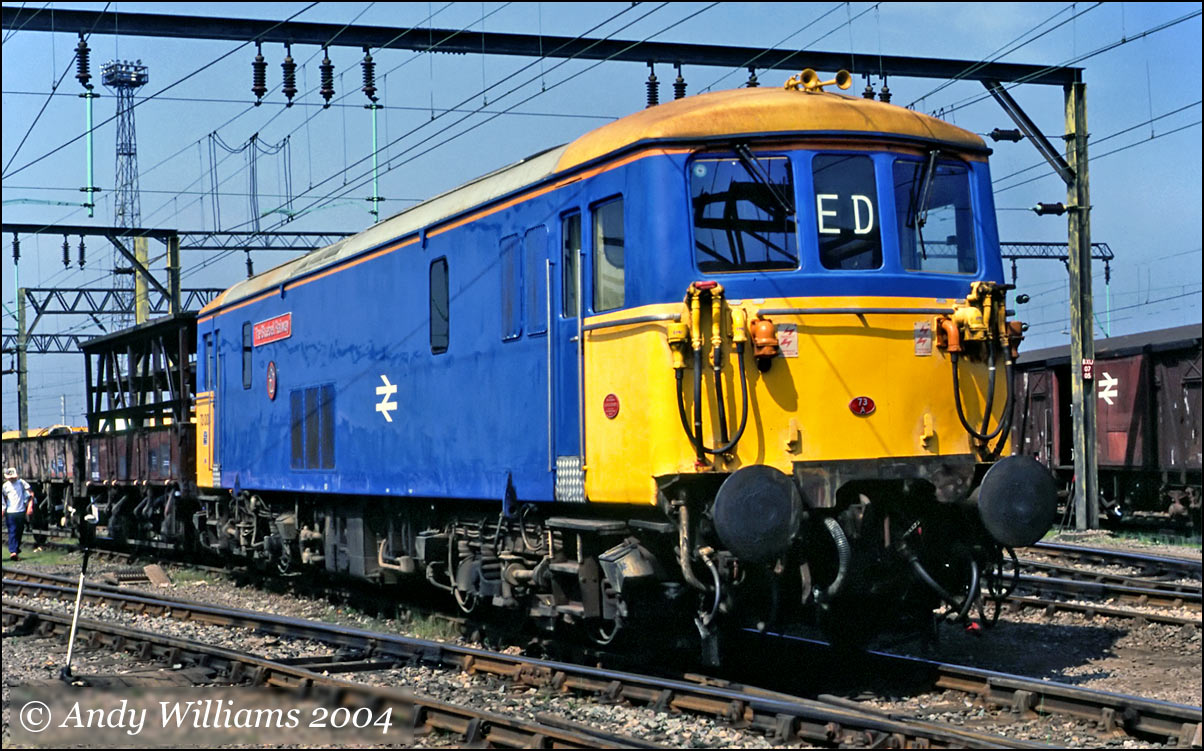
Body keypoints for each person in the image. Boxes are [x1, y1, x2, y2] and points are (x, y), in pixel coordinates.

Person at [3, 467, 36, 560]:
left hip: (20, 511)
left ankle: (16, 550)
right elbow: (4, 499)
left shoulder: (21, 483)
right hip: (10, 512)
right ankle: (13, 552)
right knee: (12, 531)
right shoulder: (5, 486)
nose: (11, 479)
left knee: (19, 531)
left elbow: (31, 493)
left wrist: (30, 506)